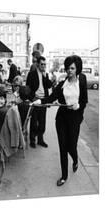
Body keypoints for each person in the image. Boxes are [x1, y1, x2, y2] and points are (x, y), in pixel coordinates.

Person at [32, 55, 88, 186]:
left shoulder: (82, 81)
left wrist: (78, 105)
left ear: (77, 69)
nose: (69, 71)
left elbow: (84, 100)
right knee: (63, 147)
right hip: (62, 118)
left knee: (71, 147)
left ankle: (75, 160)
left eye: (72, 68)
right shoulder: (63, 84)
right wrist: (39, 101)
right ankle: (64, 176)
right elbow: (51, 98)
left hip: (75, 118)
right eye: (68, 68)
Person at [26, 56, 53, 148]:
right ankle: (32, 140)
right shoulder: (32, 74)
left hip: (43, 101)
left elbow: (49, 85)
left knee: (42, 122)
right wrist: (32, 99)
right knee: (34, 122)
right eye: (42, 64)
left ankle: (40, 140)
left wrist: (45, 76)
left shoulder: (45, 74)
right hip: (35, 100)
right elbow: (27, 89)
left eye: (45, 64)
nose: (43, 66)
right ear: (37, 64)